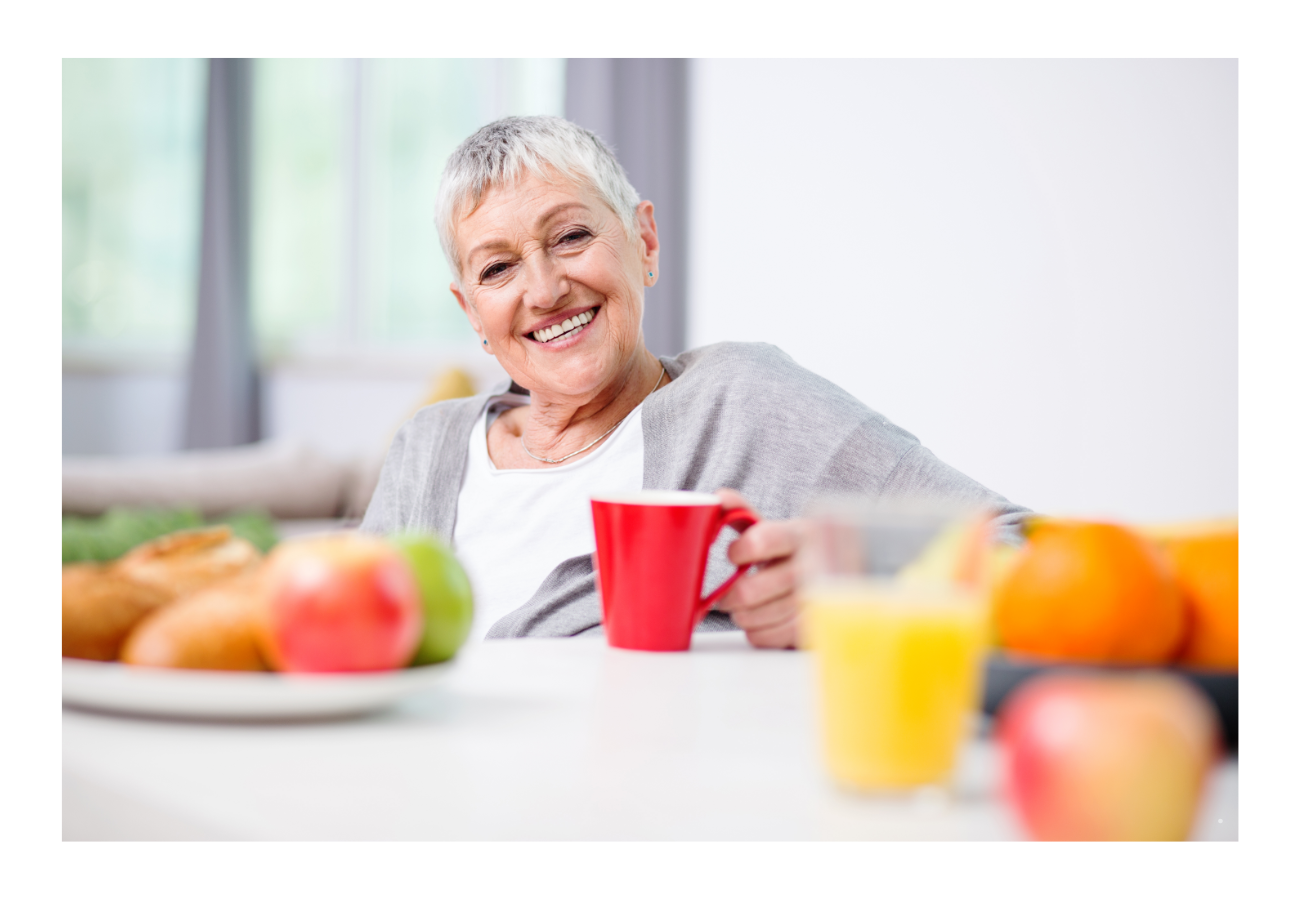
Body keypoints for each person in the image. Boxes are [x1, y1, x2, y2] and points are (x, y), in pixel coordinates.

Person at [361, 115, 1028, 647]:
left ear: (644, 243)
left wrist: (860, 582)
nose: (544, 289)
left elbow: (1022, 546)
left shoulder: (743, 402)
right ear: (472, 312)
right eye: (497, 269)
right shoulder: (427, 447)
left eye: (570, 236)